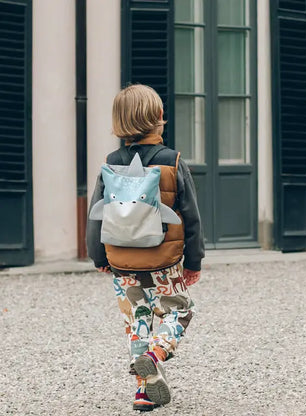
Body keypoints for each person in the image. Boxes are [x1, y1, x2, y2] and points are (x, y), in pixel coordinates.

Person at [86, 84, 205, 412]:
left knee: (137, 319)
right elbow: (191, 216)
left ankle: (143, 391)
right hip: (164, 261)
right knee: (179, 311)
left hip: (122, 262)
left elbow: (96, 214)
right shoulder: (173, 161)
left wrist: (99, 256)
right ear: (160, 118)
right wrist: (194, 260)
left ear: (119, 124)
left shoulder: (110, 164)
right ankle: (155, 355)